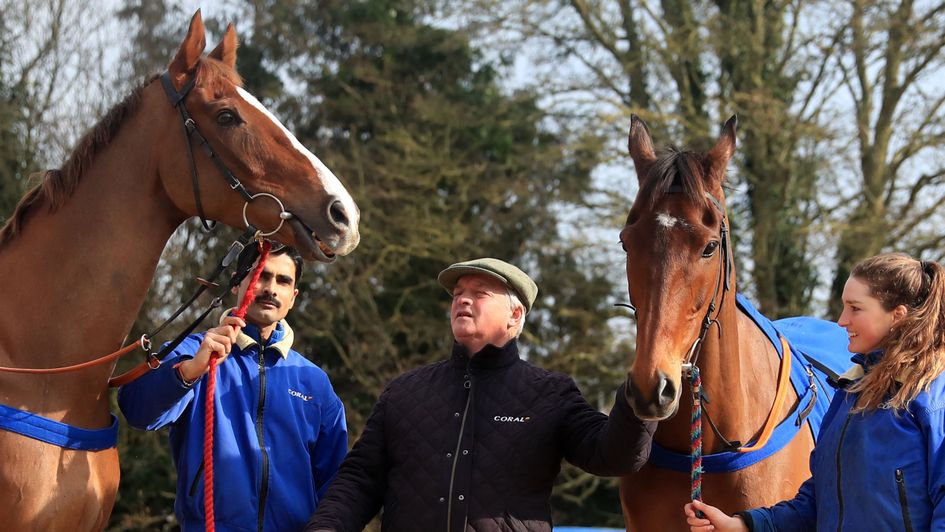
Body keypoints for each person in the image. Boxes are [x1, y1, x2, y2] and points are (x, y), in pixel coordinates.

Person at [305, 257, 656, 532]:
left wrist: (641, 389)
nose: (463, 300)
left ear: (515, 316)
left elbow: (615, 456)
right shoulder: (403, 392)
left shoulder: (551, 393)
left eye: (480, 292)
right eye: (458, 293)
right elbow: (360, 478)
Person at [684, 253, 945, 531]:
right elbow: (815, 503)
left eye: (855, 308)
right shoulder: (849, 393)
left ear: (897, 316)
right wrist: (741, 525)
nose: (842, 320)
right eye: (844, 307)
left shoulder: (932, 397)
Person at [118, 244, 347, 531]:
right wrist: (190, 371)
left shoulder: (314, 381)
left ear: (293, 297)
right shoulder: (192, 351)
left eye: (283, 281)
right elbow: (136, 410)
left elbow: (336, 480)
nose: (271, 289)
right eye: (262, 276)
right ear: (238, 283)